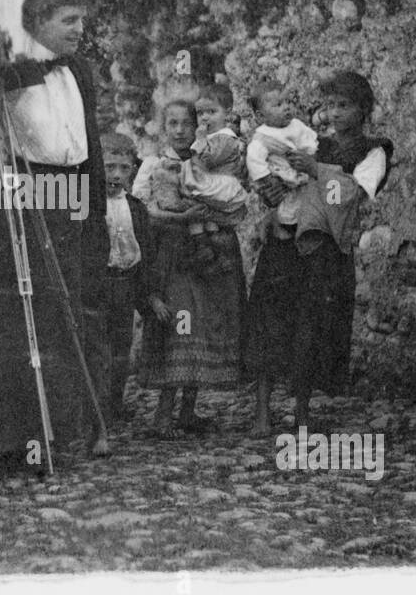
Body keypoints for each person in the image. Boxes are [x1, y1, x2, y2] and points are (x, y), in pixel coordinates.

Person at [0, 0, 108, 472]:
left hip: (72, 192)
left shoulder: (77, 69)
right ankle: (14, 436)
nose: (79, 28)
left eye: (81, 19)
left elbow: (87, 144)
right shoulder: (10, 71)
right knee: (17, 316)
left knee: (68, 310)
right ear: (39, 20)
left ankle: (67, 431)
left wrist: (92, 207)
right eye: (69, 20)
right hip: (22, 191)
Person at [245, 70, 394, 433]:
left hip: (324, 250)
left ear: (364, 110)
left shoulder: (373, 151)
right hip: (285, 242)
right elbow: (279, 175)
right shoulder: (312, 141)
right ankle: (262, 410)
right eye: (329, 106)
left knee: (310, 328)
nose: (335, 114)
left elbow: (352, 193)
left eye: (344, 106)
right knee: (270, 320)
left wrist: (318, 171)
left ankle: (302, 411)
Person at [133, 99, 245, 436]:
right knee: (179, 326)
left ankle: (187, 412)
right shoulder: (153, 165)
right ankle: (162, 416)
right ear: (163, 128)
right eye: (173, 124)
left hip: (209, 255)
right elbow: (143, 211)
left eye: (186, 123)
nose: (180, 130)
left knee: (203, 325)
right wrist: (182, 218)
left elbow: (232, 200)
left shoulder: (210, 161)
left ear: (197, 126)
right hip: (173, 257)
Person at [96, 134, 167, 426]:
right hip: (98, 285)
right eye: (109, 166)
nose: (116, 175)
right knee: (96, 349)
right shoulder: (87, 206)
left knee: (120, 350)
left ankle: (114, 405)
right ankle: (93, 408)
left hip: (126, 285)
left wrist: (149, 294)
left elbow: (145, 254)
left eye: (124, 168)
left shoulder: (136, 208)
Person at [180, 82, 249, 271]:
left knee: (194, 199)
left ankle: (217, 253)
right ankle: (206, 247)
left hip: (221, 184)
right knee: (201, 212)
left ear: (227, 113)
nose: (205, 118)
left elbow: (209, 159)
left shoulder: (226, 138)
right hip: (210, 181)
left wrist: (200, 140)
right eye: (200, 113)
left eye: (211, 112)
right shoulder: (212, 137)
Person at [243, 83, 319, 236]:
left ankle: (306, 225)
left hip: (301, 170)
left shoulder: (296, 125)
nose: (286, 107)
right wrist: (265, 178)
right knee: (282, 206)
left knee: (303, 202)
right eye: (278, 105)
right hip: (278, 176)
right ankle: (281, 226)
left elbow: (309, 139)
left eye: (288, 102)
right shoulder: (263, 136)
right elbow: (254, 159)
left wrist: (311, 153)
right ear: (261, 116)